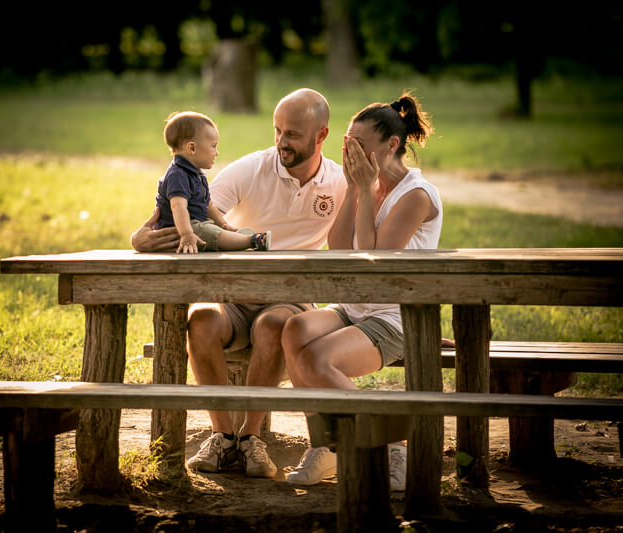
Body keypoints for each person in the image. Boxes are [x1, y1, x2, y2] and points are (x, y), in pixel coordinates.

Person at [130, 88, 348, 477]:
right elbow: (184, 209)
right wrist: (141, 237)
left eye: (292, 134)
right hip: (234, 296)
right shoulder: (251, 169)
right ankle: (223, 438)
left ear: (321, 136)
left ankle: (252, 440)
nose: (281, 142)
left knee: (272, 324)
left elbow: (364, 244)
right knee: (200, 320)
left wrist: (393, 314)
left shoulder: (339, 183)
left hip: (290, 300)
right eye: (277, 131)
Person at [281, 90, 443, 491]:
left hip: (395, 315)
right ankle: (328, 450)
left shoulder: (417, 195)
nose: (351, 154)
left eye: (360, 147)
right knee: (293, 330)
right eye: (347, 145)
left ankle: (393, 448)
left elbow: (377, 260)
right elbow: (339, 248)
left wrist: (365, 190)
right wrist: (357, 190)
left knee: (317, 361)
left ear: (391, 145)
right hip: (355, 307)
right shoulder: (364, 185)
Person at [154, 111, 271, 253]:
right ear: (192, 148)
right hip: (178, 230)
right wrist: (186, 234)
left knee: (211, 229)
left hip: (197, 224)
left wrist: (223, 224)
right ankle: (252, 241)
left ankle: (237, 238)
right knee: (207, 232)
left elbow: (208, 204)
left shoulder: (197, 174)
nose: (217, 152)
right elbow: (178, 207)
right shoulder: (177, 175)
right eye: (213, 146)